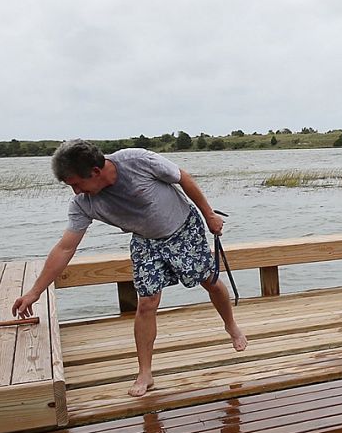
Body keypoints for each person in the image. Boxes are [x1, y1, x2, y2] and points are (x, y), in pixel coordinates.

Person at [13, 140, 248, 397]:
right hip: (145, 241)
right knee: (147, 302)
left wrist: (209, 215)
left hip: (183, 228)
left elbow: (183, 178)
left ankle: (231, 325)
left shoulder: (136, 161)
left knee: (210, 281)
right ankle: (145, 373)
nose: (75, 192)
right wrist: (35, 292)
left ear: (94, 171)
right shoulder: (83, 204)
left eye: (76, 184)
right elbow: (65, 248)